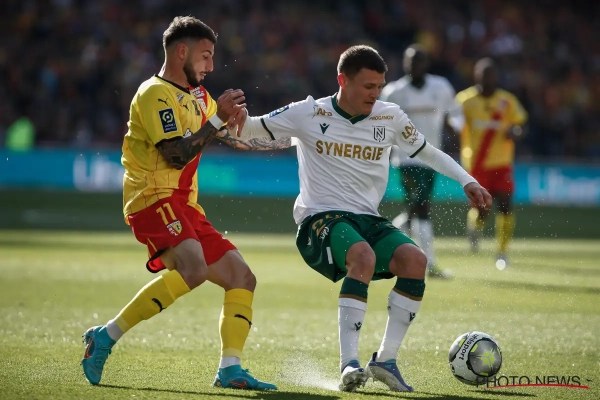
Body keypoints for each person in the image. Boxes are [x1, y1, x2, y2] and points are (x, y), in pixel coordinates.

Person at [221, 45, 492, 392]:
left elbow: (428, 152)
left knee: (415, 261)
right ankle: (349, 364)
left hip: (366, 218)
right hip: (320, 218)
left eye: (379, 86)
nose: (375, 94)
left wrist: (467, 180)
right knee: (362, 256)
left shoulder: (390, 116)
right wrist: (231, 117)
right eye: (368, 86)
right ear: (343, 81)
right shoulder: (308, 112)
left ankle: (385, 361)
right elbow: (249, 129)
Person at [80, 16, 276, 391]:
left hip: (184, 206)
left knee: (242, 278)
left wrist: (286, 136)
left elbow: (230, 137)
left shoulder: (199, 97)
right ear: (182, 52)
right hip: (152, 197)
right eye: (206, 55)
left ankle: (230, 369)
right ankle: (105, 337)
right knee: (194, 268)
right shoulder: (154, 94)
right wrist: (217, 119)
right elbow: (174, 154)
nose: (211, 66)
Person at [380, 44, 465, 279]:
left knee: (414, 209)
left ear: (426, 63)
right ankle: (429, 265)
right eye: (410, 61)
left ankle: (385, 241)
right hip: (406, 159)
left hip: (432, 157)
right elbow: (382, 124)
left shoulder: (441, 87)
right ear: (405, 64)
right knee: (422, 208)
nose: (414, 65)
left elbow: (456, 113)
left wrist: (455, 127)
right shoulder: (393, 92)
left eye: (419, 61)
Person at [456, 58, 528, 268]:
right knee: (483, 209)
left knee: (505, 204)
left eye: (491, 75)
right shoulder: (465, 100)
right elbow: (454, 123)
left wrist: (516, 131)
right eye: (483, 74)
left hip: (502, 162)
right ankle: (475, 225)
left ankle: (502, 253)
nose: (487, 79)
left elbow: (521, 124)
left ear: (496, 77)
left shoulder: (507, 100)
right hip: (476, 163)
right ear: (476, 76)